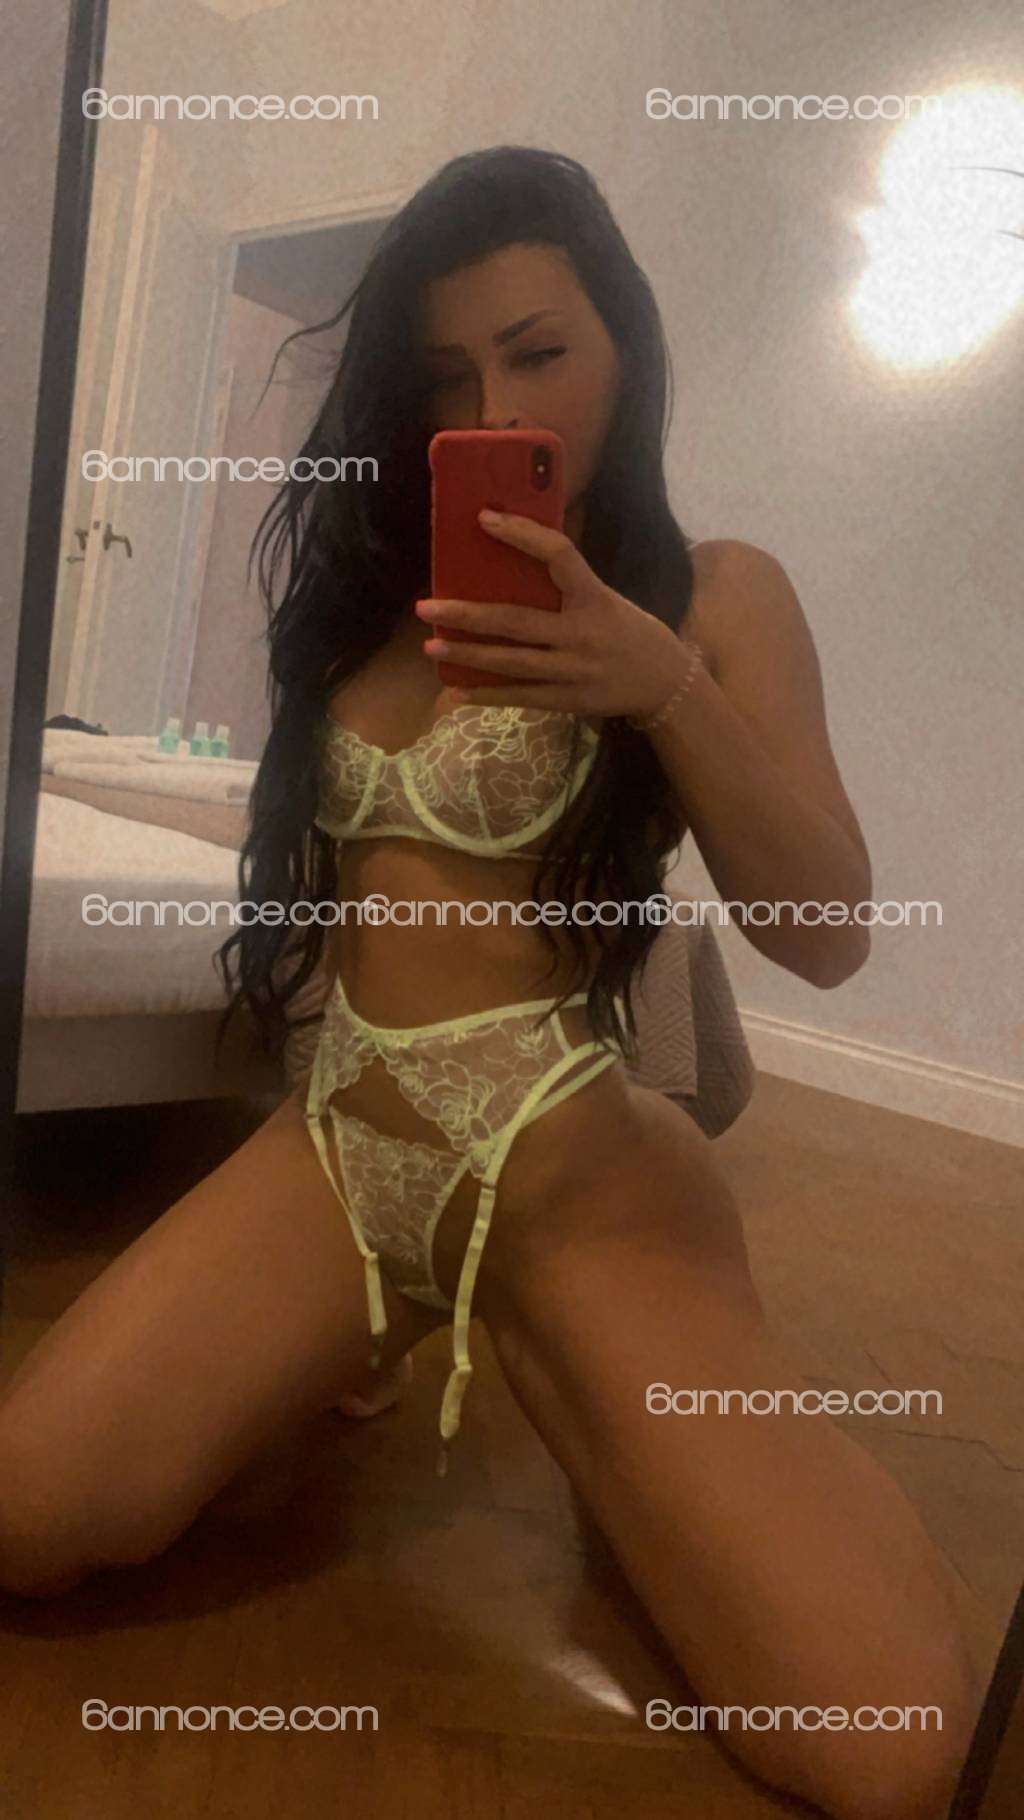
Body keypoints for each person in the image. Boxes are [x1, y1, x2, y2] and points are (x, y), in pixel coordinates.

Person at [0, 148, 981, 1820]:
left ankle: (598, 1357)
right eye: (445, 376)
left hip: (566, 1171)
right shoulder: (379, 595)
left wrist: (663, 686)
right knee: (27, 1514)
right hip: (347, 1144)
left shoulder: (715, 593)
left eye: (539, 353)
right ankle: (393, 1329)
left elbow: (826, 932)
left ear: (627, 347)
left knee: (886, 1749)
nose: (495, 407)